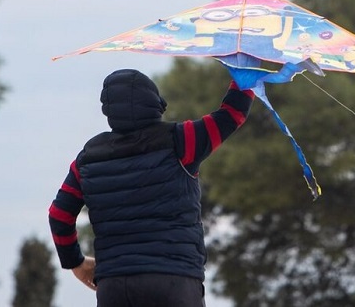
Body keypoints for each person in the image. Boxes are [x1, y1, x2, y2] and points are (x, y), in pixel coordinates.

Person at [48, 68, 255, 306]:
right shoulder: (182, 140)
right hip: (174, 280)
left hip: (114, 287)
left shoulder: (87, 159)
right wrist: (246, 68)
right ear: (155, 101)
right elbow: (233, 113)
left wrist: (76, 262)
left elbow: (59, 215)